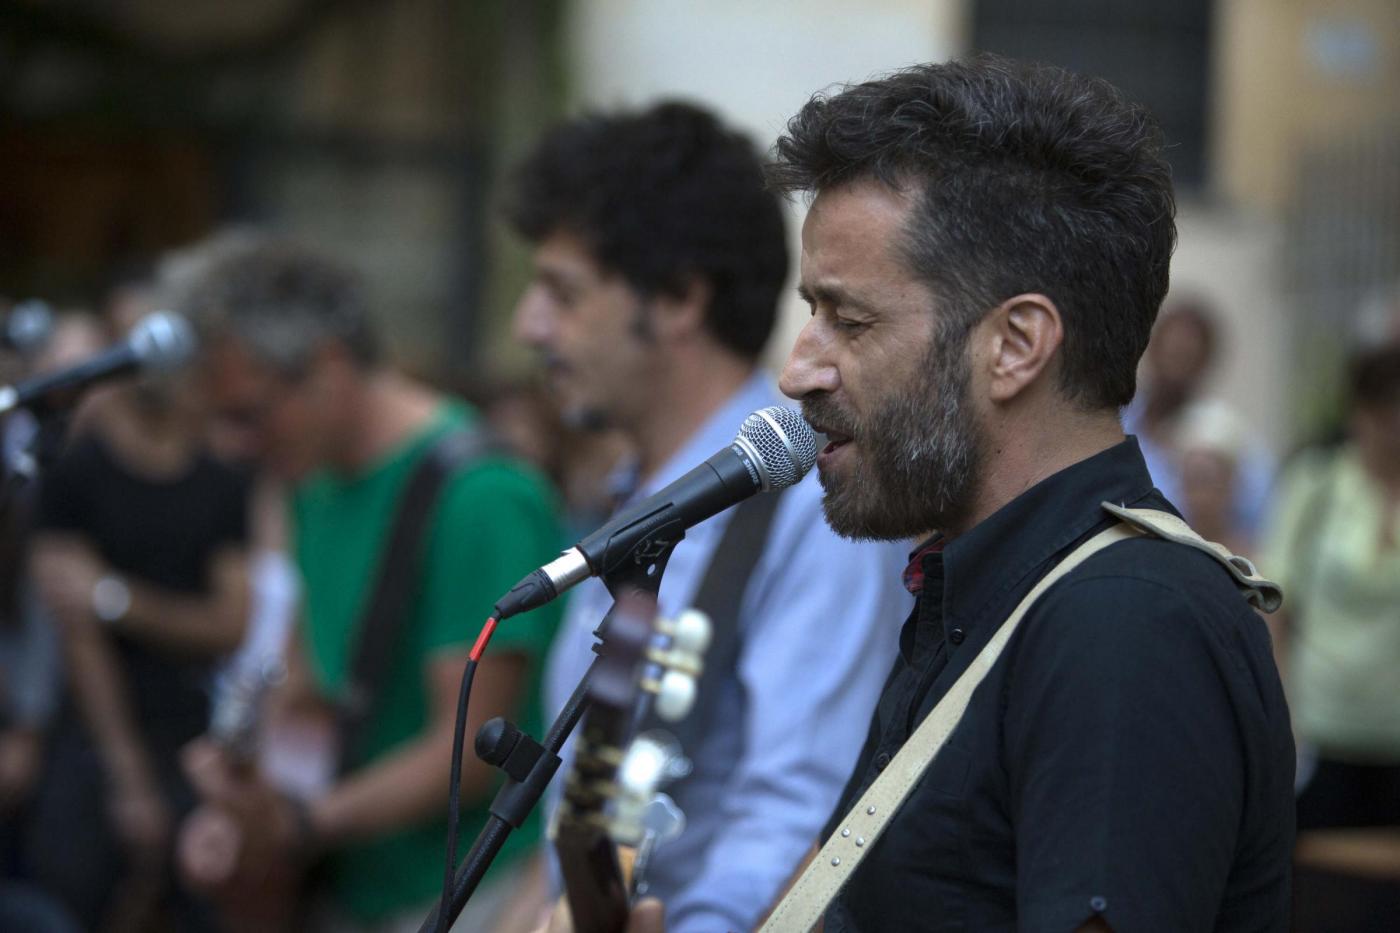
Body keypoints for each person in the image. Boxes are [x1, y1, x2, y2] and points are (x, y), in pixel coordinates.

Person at [507, 102, 910, 933]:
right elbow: (572, 817)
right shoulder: (628, 493)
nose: (529, 324)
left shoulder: (813, 502)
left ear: (679, 297)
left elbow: (796, 817)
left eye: (563, 291)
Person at [167, 234, 565, 933]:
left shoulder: (483, 495)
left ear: (327, 366)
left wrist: (298, 823)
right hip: (356, 886)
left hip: (469, 894)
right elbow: (307, 682)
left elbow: (467, 753)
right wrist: (240, 806)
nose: (230, 444)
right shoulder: (309, 476)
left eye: (247, 413)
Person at [27, 303, 252, 933]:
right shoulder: (74, 471)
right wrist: (128, 777)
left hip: (191, 733)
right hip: (94, 741)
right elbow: (77, 632)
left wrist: (114, 598)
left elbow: (230, 622)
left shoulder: (221, 481)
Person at [1261, 340, 1400, 833]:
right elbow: (1276, 602)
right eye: (1383, 409)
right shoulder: (1317, 483)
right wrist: (1282, 711)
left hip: (1394, 729)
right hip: (1321, 727)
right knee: (1317, 866)